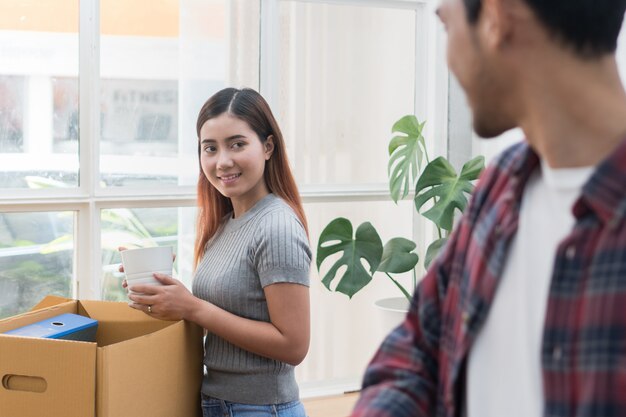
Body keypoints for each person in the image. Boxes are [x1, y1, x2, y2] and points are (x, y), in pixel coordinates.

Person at [351, 0, 626, 416]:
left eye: (446, 25)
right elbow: (417, 351)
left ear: (495, 18)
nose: (448, 57)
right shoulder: (501, 187)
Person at [124, 87, 312, 417]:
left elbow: (294, 345)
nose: (222, 161)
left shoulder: (277, 227)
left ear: (268, 147)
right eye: (210, 148)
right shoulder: (225, 225)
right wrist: (162, 291)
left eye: (237, 144)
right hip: (218, 403)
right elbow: (228, 306)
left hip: (260, 408)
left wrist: (193, 308)